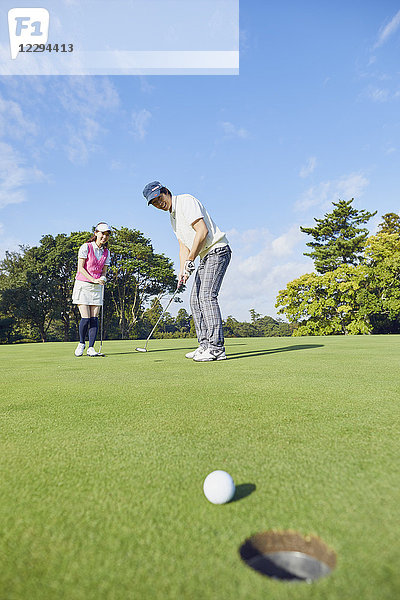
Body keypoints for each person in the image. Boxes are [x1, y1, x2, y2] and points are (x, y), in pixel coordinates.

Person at [143, 182, 231, 361]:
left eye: (159, 198)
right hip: (205, 255)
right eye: (155, 203)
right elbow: (183, 246)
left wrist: (191, 259)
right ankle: (205, 345)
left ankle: (216, 348)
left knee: (206, 296)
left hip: (217, 250)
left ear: (166, 192)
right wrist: (183, 270)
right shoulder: (172, 217)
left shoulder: (185, 201)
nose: (159, 204)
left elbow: (202, 231)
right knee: (194, 300)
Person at [72, 222, 111, 357]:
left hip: (97, 287)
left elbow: (104, 271)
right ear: (95, 233)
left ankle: (91, 348)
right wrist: (93, 279)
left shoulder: (106, 252)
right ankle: (81, 343)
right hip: (83, 285)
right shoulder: (86, 247)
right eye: (102, 233)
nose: (104, 237)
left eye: (107, 234)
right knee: (86, 318)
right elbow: (80, 269)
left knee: (94, 318)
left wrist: (103, 278)